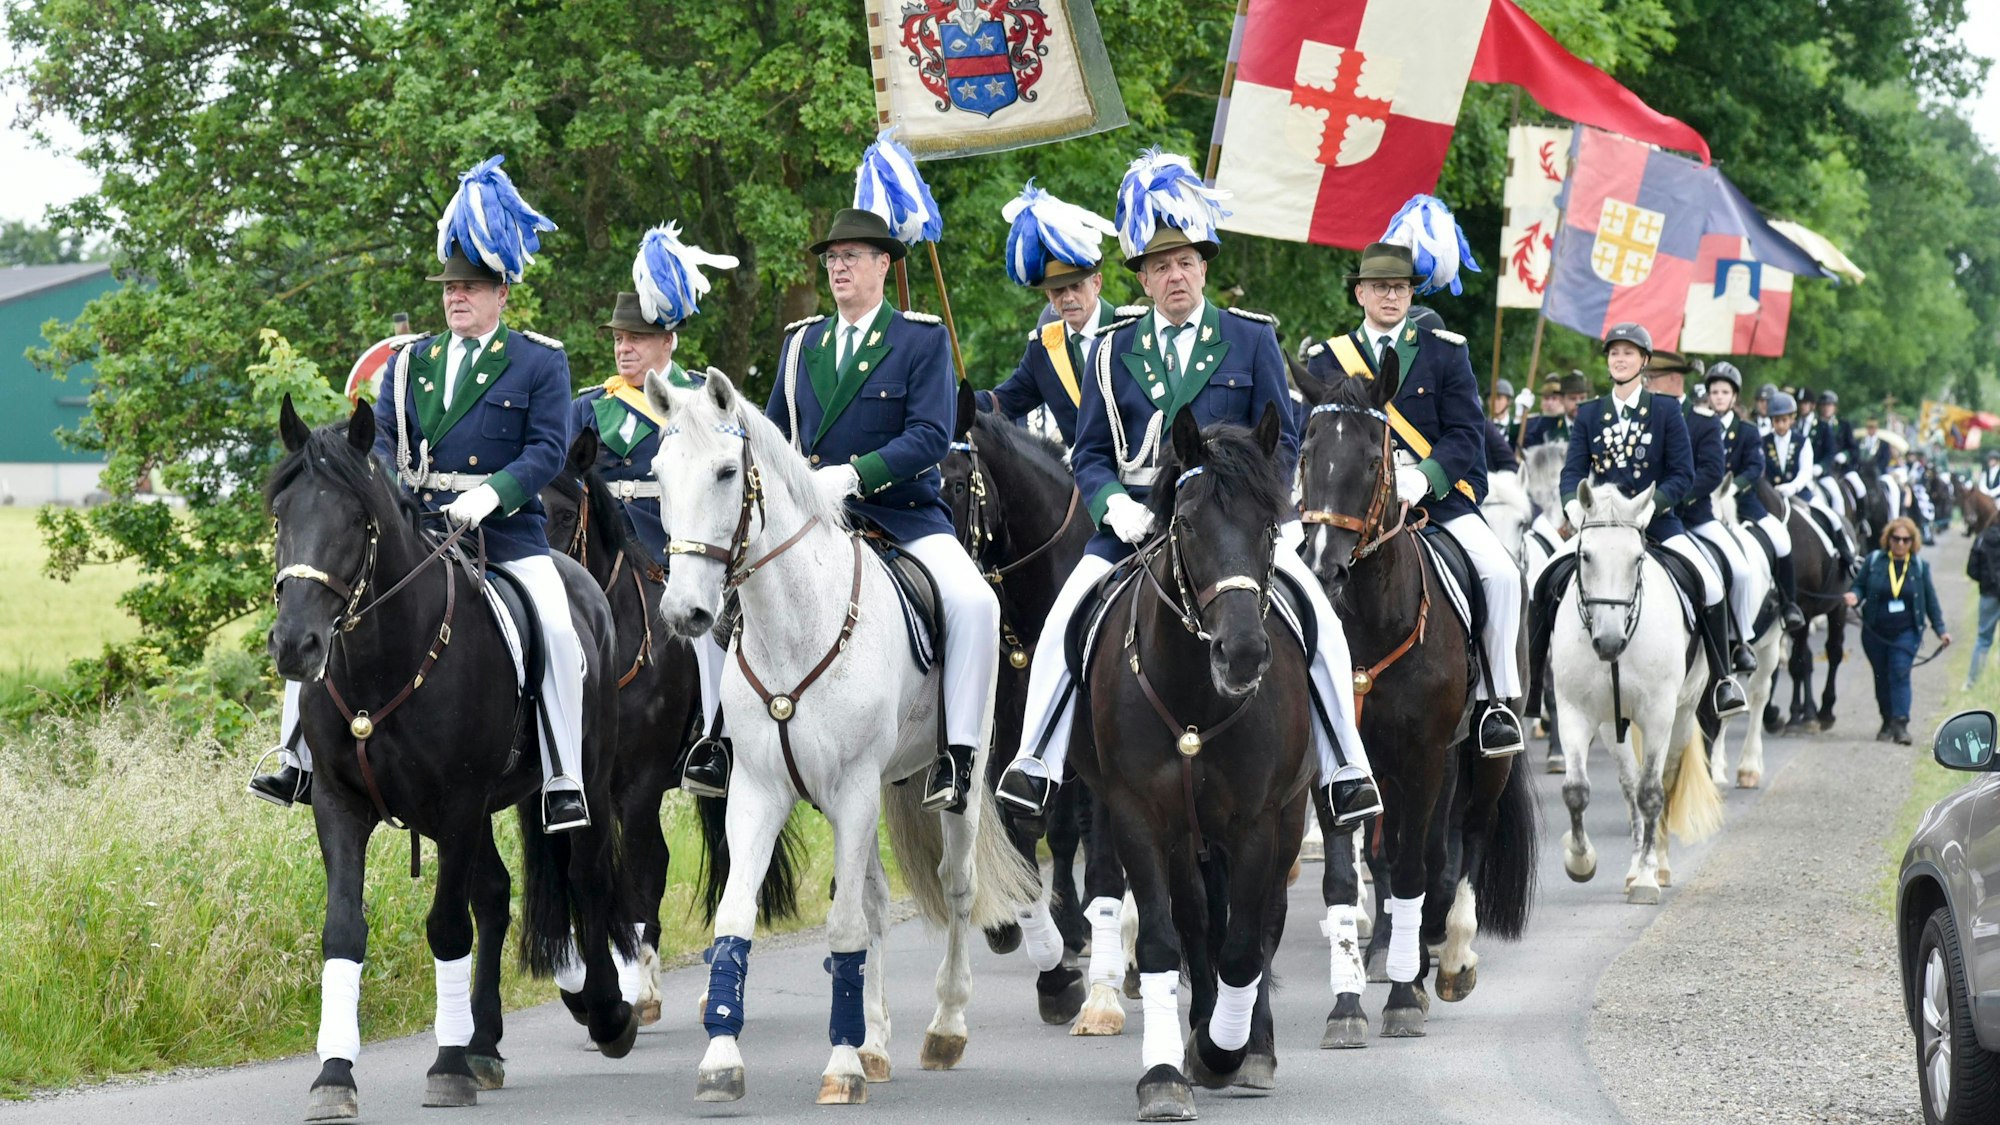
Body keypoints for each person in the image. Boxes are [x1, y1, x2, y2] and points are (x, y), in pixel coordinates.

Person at [996, 148, 1382, 826]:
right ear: (1141, 280)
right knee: (1065, 622)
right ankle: (1037, 761)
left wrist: (1271, 507)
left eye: (1185, 262)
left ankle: (1347, 766)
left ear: (1204, 267)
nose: (1175, 276)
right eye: (1159, 266)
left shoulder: (1251, 337)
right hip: (1142, 522)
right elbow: (1089, 453)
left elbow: (1286, 435)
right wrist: (1113, 506)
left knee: (1317, 618)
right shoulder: (1113, 348)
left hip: (1236, 526)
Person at [252, 155, 591, 831]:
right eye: (449, 286)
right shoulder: (411, 362)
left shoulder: (537, 360)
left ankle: (561, 773)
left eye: (470, 286)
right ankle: (295, 754)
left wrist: (492, 495)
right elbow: (378, 444)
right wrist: (385, 494)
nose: (455, 296)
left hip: (507, 536)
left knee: (557, 625)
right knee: (321, 608)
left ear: (502, 290)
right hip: (421, 530)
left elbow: (547, 450)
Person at [752, 207, 1000, 814]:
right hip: (812, 524)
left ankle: (959, 755)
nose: (838, 268)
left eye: (852, 257)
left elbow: (929, 437)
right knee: (727, 598)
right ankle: (720, 740)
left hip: (902, 518)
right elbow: (773, 435)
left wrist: (855, 474)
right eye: (832, 259)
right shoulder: (800, 341)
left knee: (975, 603)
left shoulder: (921, 338)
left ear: (883, 265)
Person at [1309, 248, 1527, 755]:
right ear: (1360, 293)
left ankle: (1496, 700)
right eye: (1380, 287)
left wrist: (1422, 479)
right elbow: (1313, 435)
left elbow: (1466, 433)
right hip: (1349, 504)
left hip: (1435, 502)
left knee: (1501, 575)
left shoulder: (1444, 351)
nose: (1390, 295)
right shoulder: (1326, 359)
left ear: (1411, 294)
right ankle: (1295, 691)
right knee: (1293, 577)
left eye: (1400, 288)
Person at [576, 224, 741, 797]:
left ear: (668, 342)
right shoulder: (589, 409)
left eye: (638, 338)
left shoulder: (702, 400)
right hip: (605, 554)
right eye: (619, 338)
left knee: (713, 633)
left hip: (679, 549)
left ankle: (717, 741)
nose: (624, 348)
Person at [1544, 322, 1748, 718]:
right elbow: (1572, 472)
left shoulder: (1667, 410)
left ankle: (1723, 679)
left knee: (1711, 583)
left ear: (1644, 362)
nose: (1620, 359)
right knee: (1544, 580)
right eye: (1614, 353)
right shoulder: (1589, 414)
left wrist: (1656, 505)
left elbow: (1683, 474)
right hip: (1601, 529)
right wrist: (1572, 504)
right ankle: (1536, 682)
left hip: (1656, 523)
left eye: (1628, 353)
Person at [979, 183, 1121, 447]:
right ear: (1047, 295)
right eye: (1057, 290)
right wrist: (947, 401)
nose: (1067, 298)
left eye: (1076, 286)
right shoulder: (1043, 348)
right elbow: (1004, 402)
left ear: (1097, 283)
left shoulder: (1129, 331)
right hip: (1082, 477)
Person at [1653, 359, 1762, 673]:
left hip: (1696, 515)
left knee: (1740, 571)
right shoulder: (1650, 417)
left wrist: (1674, 497)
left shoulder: (1702, 421)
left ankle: (1739, 640)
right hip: (1653, 519)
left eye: (1653, 377)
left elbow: (1713, 471)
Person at [1707, 363, 1804, 630]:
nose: (1719, 396)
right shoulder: (1697, 427)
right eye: (1714, 391)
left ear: (1734, 396)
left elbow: (1754, 467)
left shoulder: (1748, 431)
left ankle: (1789, 604)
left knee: (1781, 539)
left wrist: (1734, 487)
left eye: (1724, 392)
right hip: (1705, 502)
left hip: (1744, 502)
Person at [1845, 517, 1949, 744]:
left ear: (1913, 541)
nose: (1901, 543)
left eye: (1906, 539)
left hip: (1907, 633)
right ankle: (1887, 720)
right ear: (1888, 539)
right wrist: (1855, 595)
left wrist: (1941, 630)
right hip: (1875, 632)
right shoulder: (1874, 561)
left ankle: (1901, 724)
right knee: (1881, 676)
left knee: (1900, 671)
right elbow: (1859, 585)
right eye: (1896, 539)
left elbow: (1931, 601)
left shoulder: (1920, 568)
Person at [1967, 515, 2000, 689]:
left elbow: (1971, 568)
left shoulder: (1983, 537)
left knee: (1983, 639)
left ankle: (1972, 683)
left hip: (1989, 595)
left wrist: (1986, 582)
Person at [1520, 376, 1570, 448]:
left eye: (1554, 398)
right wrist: (1518, 416)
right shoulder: (1531, 423)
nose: (1549, 403)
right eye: (1546, 398)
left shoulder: (1569, 423)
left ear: (1563, 400)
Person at [1488, 377, 1518, 445]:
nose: (1494, 402)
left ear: (1508, 401)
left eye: (1499, 398)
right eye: (1491, 398)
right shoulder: (1480, 425)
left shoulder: (1516, 427)